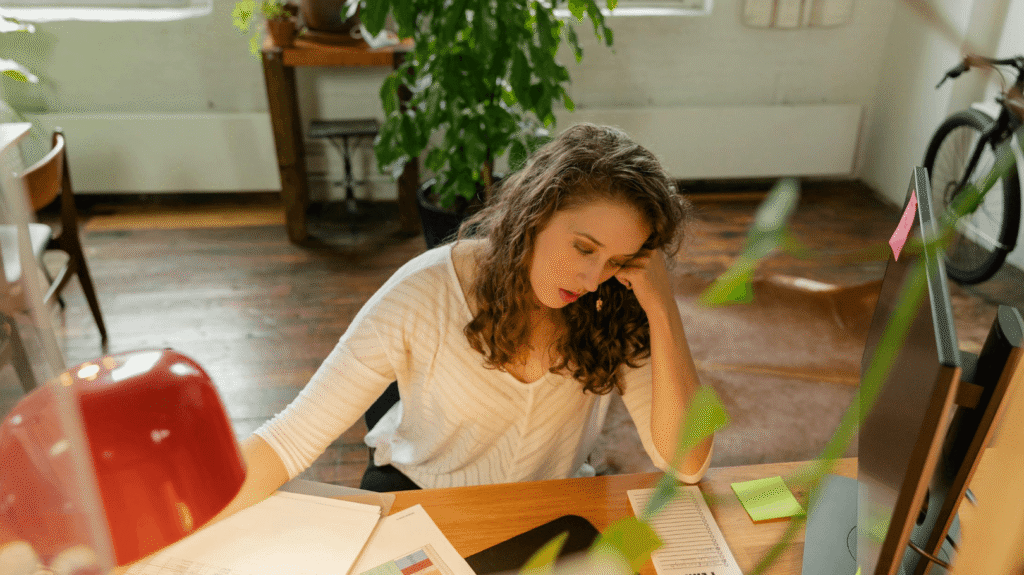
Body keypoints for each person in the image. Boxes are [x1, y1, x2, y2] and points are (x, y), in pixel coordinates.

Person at [213, 123, 714, 519]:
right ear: (536, 212)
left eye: (616, 260)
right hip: (420, 499)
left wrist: (662, 309)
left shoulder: (615, 301)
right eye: (583, 247)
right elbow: (289, 439)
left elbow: (686, 464)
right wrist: (176, 524)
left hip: (550, 509)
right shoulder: (425, 291)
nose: (591, 277)